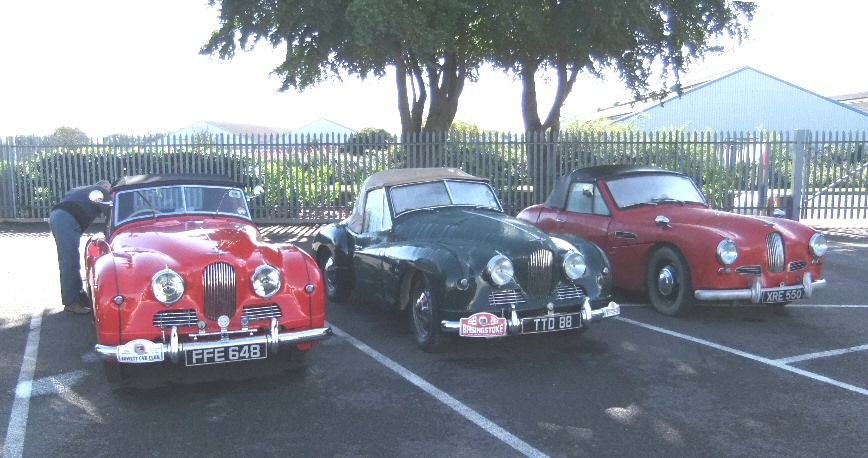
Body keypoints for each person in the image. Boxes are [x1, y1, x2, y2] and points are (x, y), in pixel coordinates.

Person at [49, 180, 111, 314]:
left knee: (71, 258)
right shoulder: (101, 192)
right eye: (108, 188)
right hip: (67, 219)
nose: (108, 192)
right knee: (69, 260)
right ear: (104, 187)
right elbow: (111, 214)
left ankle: (80, 295)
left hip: (57, 216)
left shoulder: (80, 189)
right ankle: (71, 302)